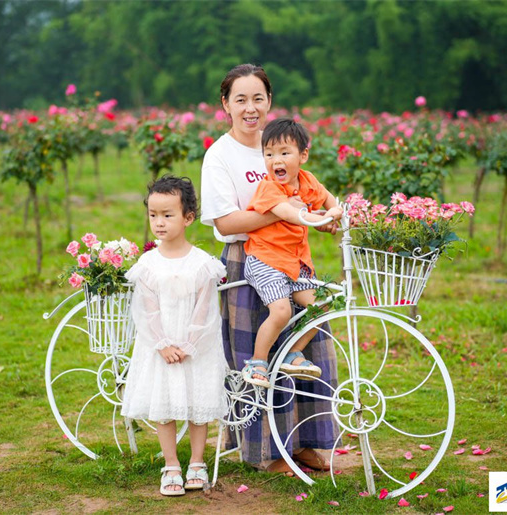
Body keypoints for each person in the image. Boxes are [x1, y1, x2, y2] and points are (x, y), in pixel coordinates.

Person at [200, 63, 338, 474]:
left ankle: (306, 443)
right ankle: (268, 452)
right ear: (225, 104)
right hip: (248, 262)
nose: (250, 108)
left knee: (310, 346)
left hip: (294, 256)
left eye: (257, 98)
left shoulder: (280, 142)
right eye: (240, 99)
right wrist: (287, 214)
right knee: (257, 357)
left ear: (269, 101)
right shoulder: (219, 155)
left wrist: (316, 216)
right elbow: (226, 223)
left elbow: (308, 196)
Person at [121, 176, 228, 496]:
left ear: (188, 217)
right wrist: (162, 344)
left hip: (197, 347)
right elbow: (145, 309)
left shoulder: (203, 265)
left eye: (168, 215)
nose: (159, 222)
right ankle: (171, 465)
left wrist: (190, 344)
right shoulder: (148, 264)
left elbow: (206, 310)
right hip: (161, 347)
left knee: (198, 402)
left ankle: (197, 461)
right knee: (164, 402)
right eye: (153, 215)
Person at [241, 118, 342, 388]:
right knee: (282, 311)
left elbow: (333, 202)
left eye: (285, 153)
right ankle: (257, 362)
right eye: (269, 154)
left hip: (295, 263)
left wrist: (334, 214)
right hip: (265, 259)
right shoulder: (269, 188)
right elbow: (287, 212)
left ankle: (293, 353)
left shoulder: (309, 182)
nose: (277, 161)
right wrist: (314, 216)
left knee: (322, 305)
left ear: (303, 155)